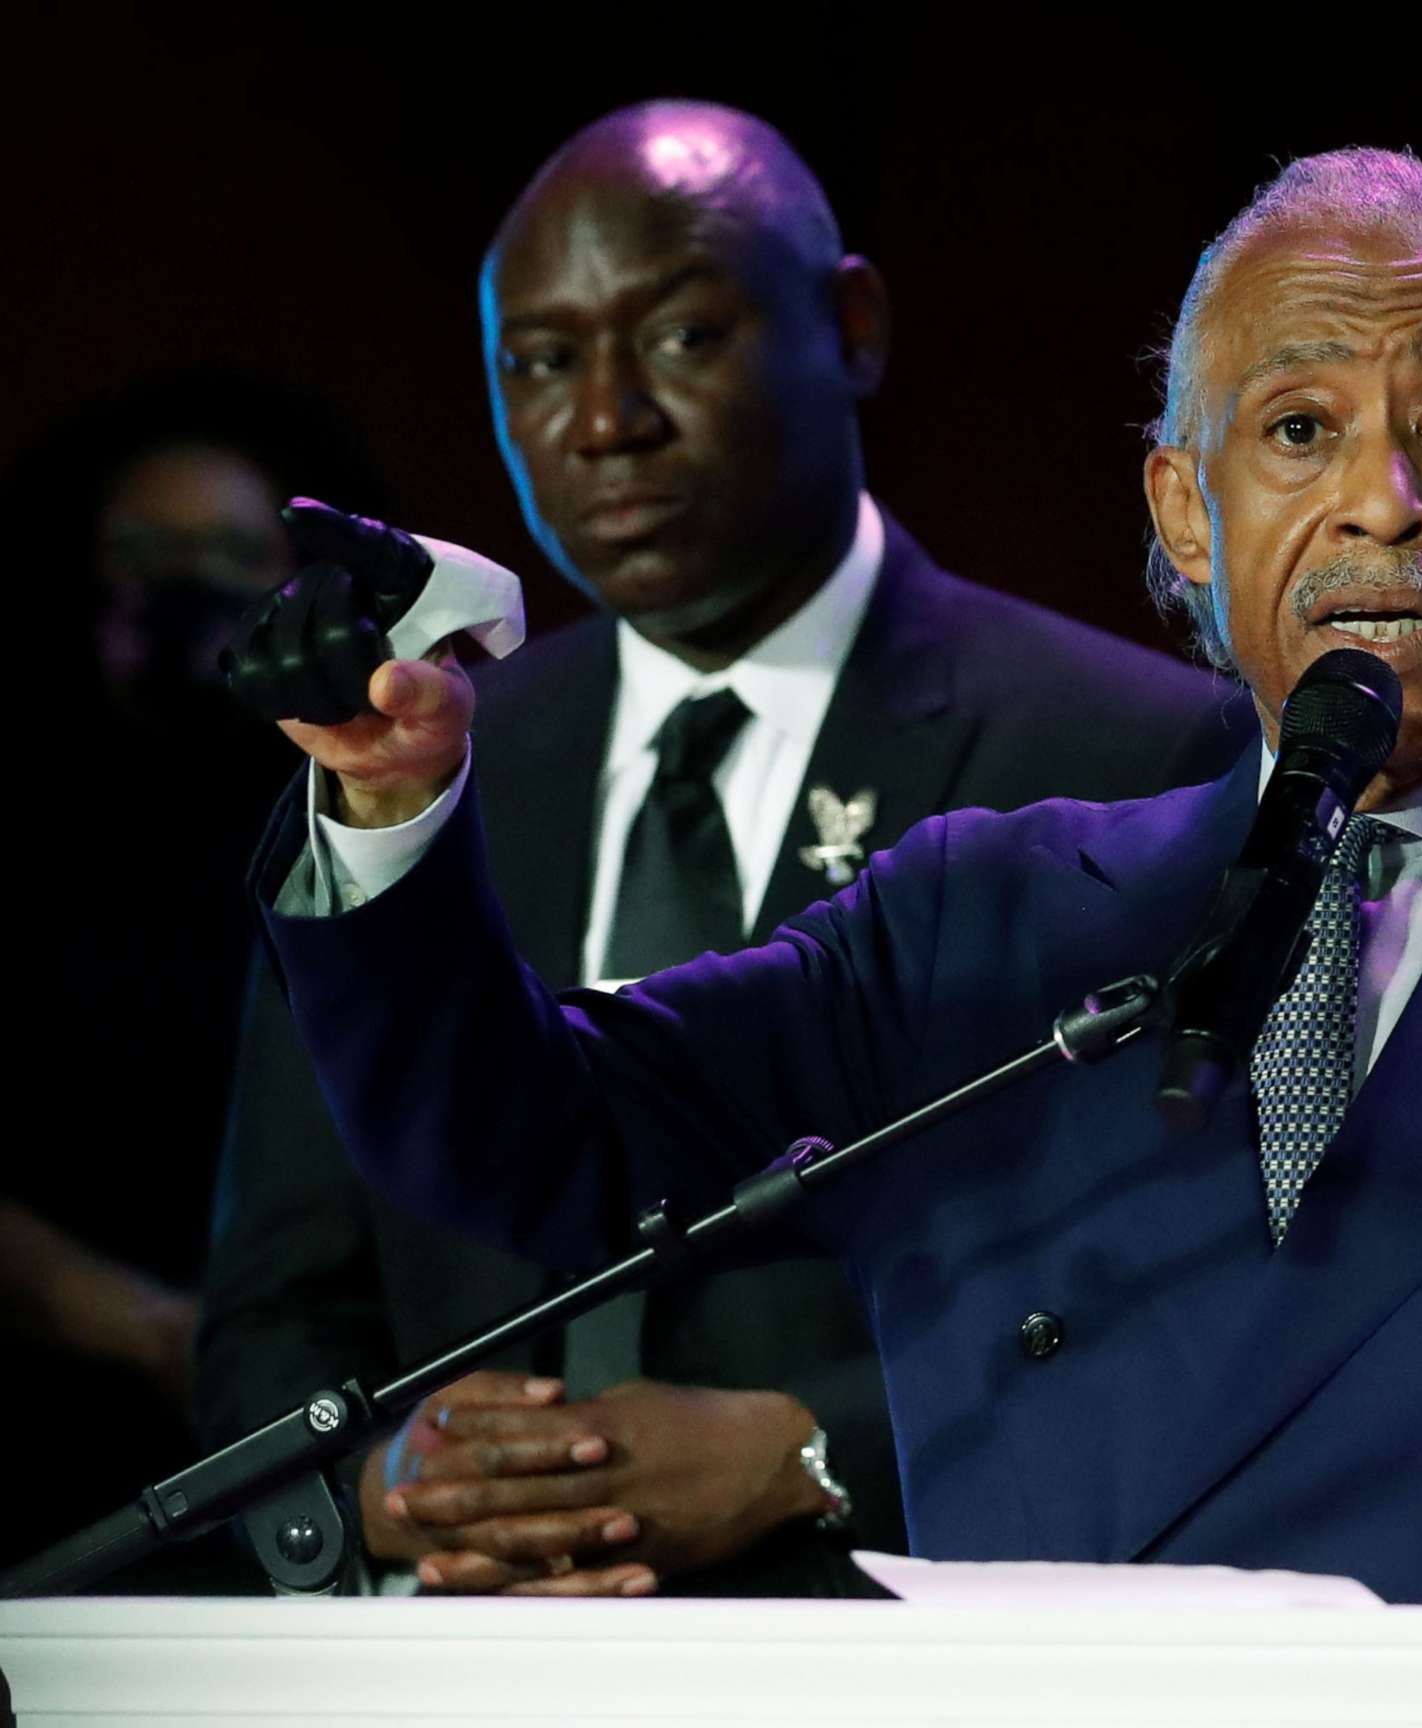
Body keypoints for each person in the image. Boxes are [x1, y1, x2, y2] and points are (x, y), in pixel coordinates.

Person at [244, 148, 1422, 1718]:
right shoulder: (980, 923)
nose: (1382, 495)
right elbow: (531, 1140)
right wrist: (394, 807)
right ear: (1187, 509)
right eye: (1298, 430)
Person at [192, 101, 1249, 1601]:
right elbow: (271, 1312)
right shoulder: (405, 771)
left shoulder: (1128, 755)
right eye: (543, 363)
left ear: (853, 326)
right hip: (450, 1662)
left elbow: (1191, 1298)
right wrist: (385, 1485)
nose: (606, 419)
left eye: (680, 338)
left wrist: (811, 1449)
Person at [6, 372, 369, 1589]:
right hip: (57, 1428)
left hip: (318, 1415)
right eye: (148, 552)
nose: (189, 583)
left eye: (227, 549)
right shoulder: (32, 819)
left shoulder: (351, 817)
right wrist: (138, 1323)